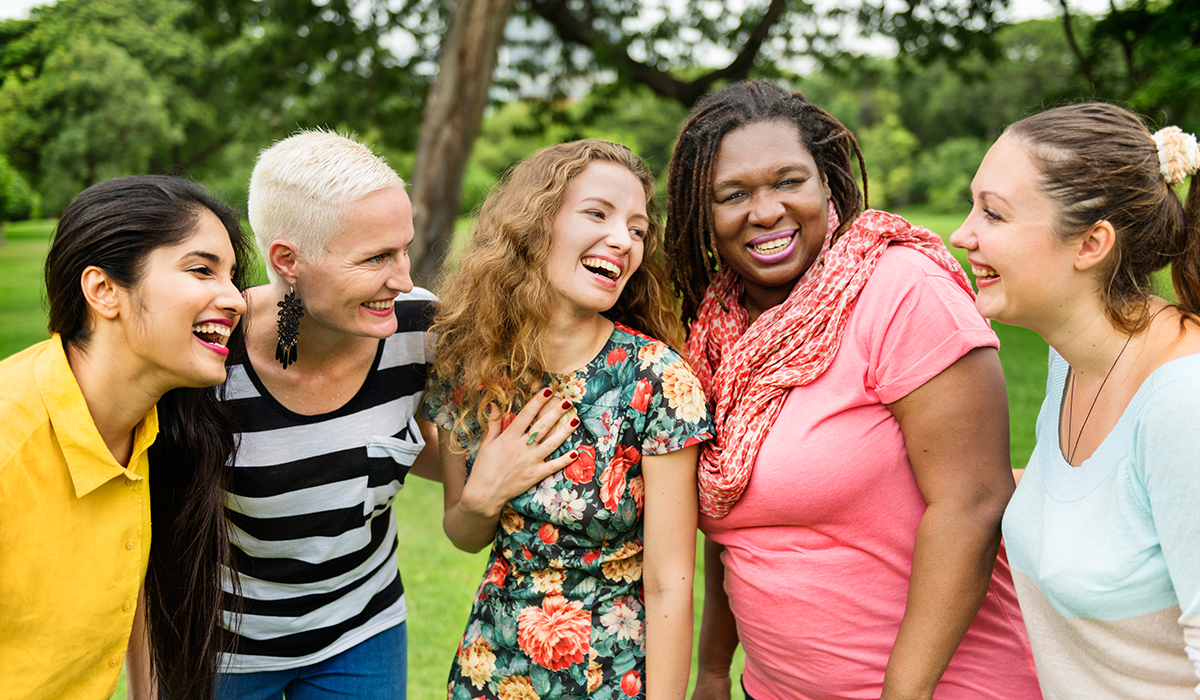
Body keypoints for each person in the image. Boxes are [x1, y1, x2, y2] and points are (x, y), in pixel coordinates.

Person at [665, 80, 1042, 700]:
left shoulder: (899, 290)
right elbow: (739, 525)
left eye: (789, 181)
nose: (765, 211)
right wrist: (712, 670)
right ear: (701, 215)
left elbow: (972, 505)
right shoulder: (714, 335)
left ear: (827, 183)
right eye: (733, 194)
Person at [423, 139, 712, 699]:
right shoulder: (471, 362)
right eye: (597, 214)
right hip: (493, 669)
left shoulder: (656, 380)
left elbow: (670, 583)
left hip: (612, 676)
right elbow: (462, 533)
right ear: (536, 223)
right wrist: (483, 496)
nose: (622, 240)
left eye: (636, 229)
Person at [951, 103, 1200, 699]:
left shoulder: (1181, 407)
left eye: (994, 213)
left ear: (1091, 244)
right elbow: (1096, 506)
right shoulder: (1074, 360)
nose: (962, 234)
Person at [0, 175, 250, 699]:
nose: (236, 300)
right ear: (104, 291)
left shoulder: (153, 431)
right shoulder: (9, 443)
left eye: (232, 276)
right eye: (202, 269)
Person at [213, 130, 438, 699]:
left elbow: (428, 449)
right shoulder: (210, 355)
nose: (404, 279)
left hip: (364, 628)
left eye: (403, 248)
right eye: (375, 258)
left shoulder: (418, 329)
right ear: (287, 260)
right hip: (227, 646)